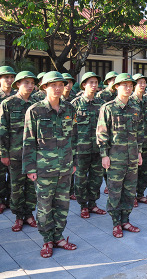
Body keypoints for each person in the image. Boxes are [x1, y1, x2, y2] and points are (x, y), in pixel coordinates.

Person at [23, 71, 78, 258]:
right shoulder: (35, 110)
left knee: (63, 205)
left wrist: (74, 162)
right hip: (43, 169)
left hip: (65, 167)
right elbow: (28, 141)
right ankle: (47, 239)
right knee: (45, 206)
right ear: (44, 87)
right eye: (53, 85)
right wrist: (30, 168)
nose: (57, 88)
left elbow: (74, 138)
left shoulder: (70, 109)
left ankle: (59, 237)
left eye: (61, 85)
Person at [96, 73, 143, 238]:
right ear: (116, 87)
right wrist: (104, 155)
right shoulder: (108, 108)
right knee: (115, 191)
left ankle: (126, 220)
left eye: (130, 85)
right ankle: (116, 223)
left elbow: (139, 134)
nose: (128, 88)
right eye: (124, 85)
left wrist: (139, 153)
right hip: (115, 158)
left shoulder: (136, 108)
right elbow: (102, 134)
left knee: (130, 191)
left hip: (131, 158)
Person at [0, 71, 38, 231]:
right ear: (17, 85)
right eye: (26, 83)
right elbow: (2, 131)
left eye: (32, 83)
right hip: (15, 154)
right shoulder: (7, 104)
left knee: (31, 186)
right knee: (16, 187)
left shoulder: (37, 104)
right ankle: (18, 216)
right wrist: (4, 153)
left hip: (34, 155)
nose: (30, 86)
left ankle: (29, 214)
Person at [71, 72, 107, 219]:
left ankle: (92, 203)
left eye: (95, 82)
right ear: (84, 85)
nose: (94, 85)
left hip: (98, 149)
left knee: (96, 178)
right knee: (80, 179)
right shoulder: (75, 104)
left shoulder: (102, 104)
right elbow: (70, 130)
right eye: (90, 82)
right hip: (81, 150)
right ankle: (83, 205)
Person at [130, 73, 147, 207]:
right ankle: (132, 195)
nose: (143, 85)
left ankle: (140, 194)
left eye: (144, 82)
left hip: (146, 141)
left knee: (145, 170)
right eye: (140, 82)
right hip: (134, 143)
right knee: (134, 171)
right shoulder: (129, 101)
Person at [0, 65, 17, 214]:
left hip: (15, 143)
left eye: (12, 77)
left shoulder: (18, 96)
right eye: (6, 77)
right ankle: (1, 201)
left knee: (13, 175)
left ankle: (12, 200)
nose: (9, 80)